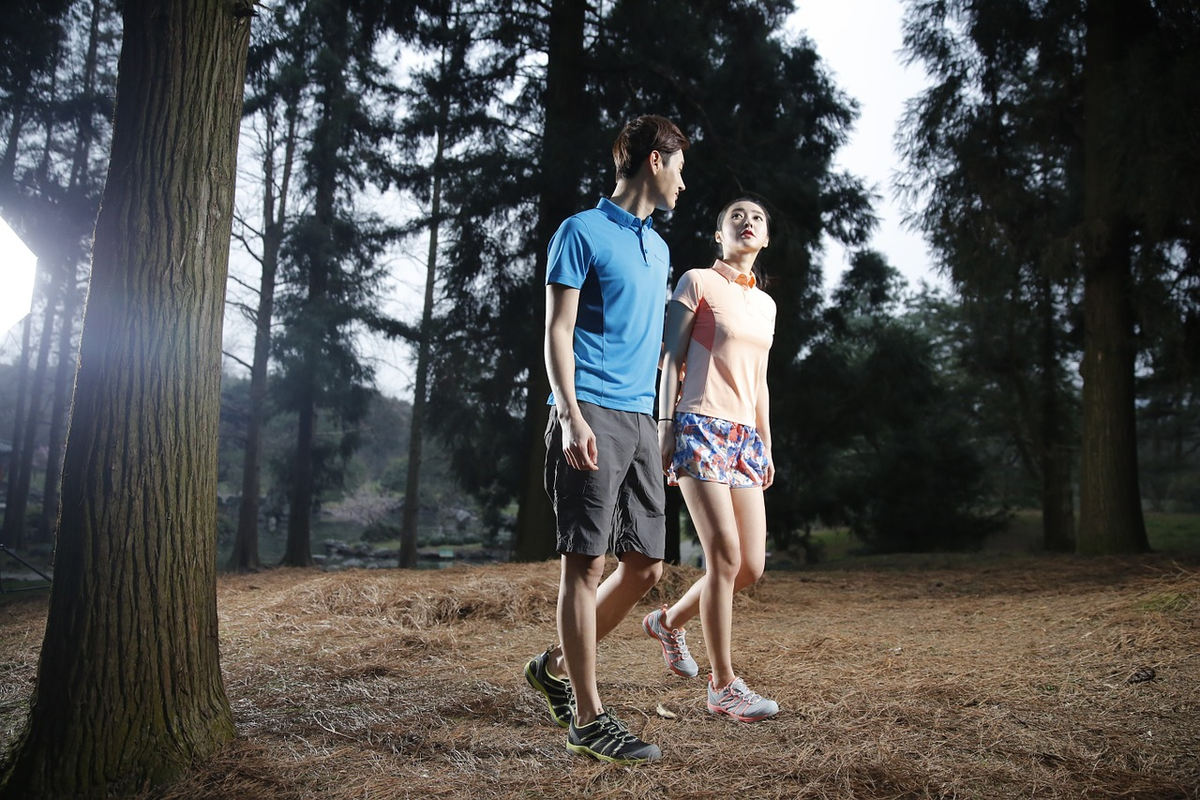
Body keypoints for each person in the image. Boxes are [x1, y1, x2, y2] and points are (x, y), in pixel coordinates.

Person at [523, 114, 689, 764]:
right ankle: (588, 720)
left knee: (644, 566)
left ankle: (554, 669)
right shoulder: (579, 232)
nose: (682, 181)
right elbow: (557, 331)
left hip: (641, 420)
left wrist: (667, 424)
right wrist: (569, 415)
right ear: (655, 160)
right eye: (679, 166)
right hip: (588, 408)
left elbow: (650, 346)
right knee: (585, 564)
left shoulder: (659, 248)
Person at [642, 197, 780, 722]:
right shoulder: (696, 281)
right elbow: (670, 358)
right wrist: (665, 424)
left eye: (757, 218)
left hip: (745, 436)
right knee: (722, 558)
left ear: (764, 239)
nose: (747, 222)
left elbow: (760, 381)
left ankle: (667, 622)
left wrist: (765, 442)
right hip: (698, 424)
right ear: (720, 233)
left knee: (750, 566)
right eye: (736, 216)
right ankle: (724, 687)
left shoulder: (765, 306)